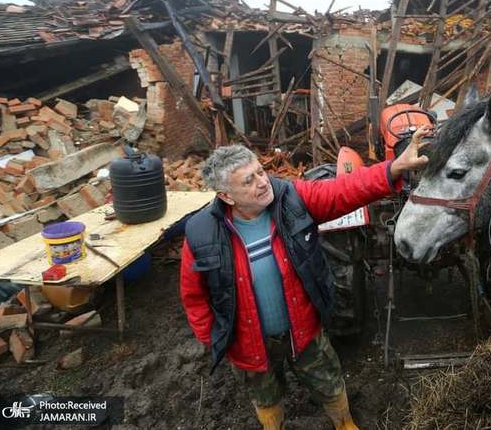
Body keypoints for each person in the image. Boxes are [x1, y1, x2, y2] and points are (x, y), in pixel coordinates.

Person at [180, 126, 430, 429]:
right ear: (226, 196)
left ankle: (345, 424)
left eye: (260, 172)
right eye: (249, 181)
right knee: (266, 396)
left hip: (303, 327)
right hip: (248, 343)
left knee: (328, 380)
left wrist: (395, 167)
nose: (263, 183)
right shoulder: (201, 233)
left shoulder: (290, 199)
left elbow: (343, 190)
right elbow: (194, 296)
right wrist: (217, 340)